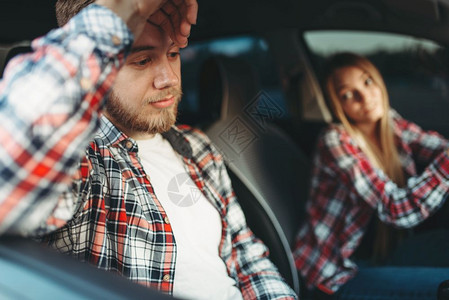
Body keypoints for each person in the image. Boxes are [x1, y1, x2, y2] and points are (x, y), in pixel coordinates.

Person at [0, 0, 297, 299]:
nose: (169, 78)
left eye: (173, 54)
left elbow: (246, 254)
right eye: (142, 61)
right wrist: (116, 14)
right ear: (99, 66)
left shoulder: (197, 146)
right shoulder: (83, 160)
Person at [293, 52, 449, 299]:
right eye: (347, 94)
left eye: (367, 82)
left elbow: (437, 147)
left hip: (385, 253)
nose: (364, 97)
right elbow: (396, 207)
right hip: (338, 274)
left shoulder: (391, 123)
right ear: (337, 105)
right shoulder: (335, 140)